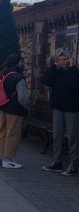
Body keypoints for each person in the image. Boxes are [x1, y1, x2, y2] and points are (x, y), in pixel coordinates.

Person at [41, 48, 79, 176]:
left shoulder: (75, 73)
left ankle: (73, 164)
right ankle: (57, 162)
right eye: (60, 60)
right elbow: (46, 80)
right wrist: (53, 67)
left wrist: (72, 69)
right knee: (57, 135)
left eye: (65, 59)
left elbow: (74, 85)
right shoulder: (56, 72)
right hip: (58, 108)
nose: (62, 62)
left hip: (72, 109)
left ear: (70, 60)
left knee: (73, 137)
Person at [0, 53, 29, 169]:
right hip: (15, 109)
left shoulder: (2, 73)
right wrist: (26, 106)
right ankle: (8, 159)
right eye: (21, 62)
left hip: (3, 105)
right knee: (13, 133)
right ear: (18, 62)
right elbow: (22, 97)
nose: (22, 64)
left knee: (2, 131)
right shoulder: (18, 77)